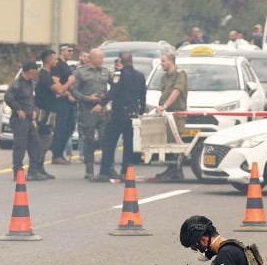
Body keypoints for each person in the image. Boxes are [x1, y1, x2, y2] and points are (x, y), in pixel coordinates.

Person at [96, 52, 146, 181]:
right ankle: (126, 171)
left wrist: (101, 104)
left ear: (121, 62)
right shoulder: (140, 76)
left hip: (118, 114)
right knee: (128, 143)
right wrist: (141, 111)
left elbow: (113, 91)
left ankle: (104, 172)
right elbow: (142, 95)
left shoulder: (119, 74)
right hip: (132, 114)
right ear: (132, 61)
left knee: (109, 143)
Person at [4, 61, 54, 181]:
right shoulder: (18, 84)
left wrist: (34, 111)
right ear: (28, 71)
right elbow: (8, 98)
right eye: (34, 69)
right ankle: (18, 172)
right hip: (20, 120)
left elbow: (32, 99)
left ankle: (33, 170)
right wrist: (18, 109)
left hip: (29, 120)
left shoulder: (30, 84)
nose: (36, 72)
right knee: (20, 146)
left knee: (35, 144)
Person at [70, 48, 112, 179]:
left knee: (105, 138)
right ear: (93, 59)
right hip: (87, 109)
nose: (102, 60)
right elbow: (73, 90)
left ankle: (107, 167)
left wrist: (107, 99)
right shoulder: (80, 72)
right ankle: (89, 168)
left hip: (103, 109)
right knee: (89, 138)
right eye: (100, 58)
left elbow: (115, 86)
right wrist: (87, 98)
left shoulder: (106, 72)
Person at [153, 52, 189, 180]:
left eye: (163, 61)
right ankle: (172, 169)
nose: (161, 64)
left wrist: (165, 105)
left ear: (171, 61)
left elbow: (176, 91)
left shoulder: (180, 74)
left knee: (175, 141)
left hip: (176, 114)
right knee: (168, 142)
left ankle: (177, 170)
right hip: (166, 114)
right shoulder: (164, 77)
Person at [51, 44, 78, 165]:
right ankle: (56, 154)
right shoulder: (58, 66)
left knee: (70, 126)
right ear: (62, 51)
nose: (71, 53)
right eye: (69, 51)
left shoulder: (67, 65)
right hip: (62, 100)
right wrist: (67, 94)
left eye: (72, 51)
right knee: (61, 128)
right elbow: (56, 84)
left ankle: (60, 152)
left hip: (70, 102)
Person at [36, 49, 62, 166]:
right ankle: (36, 166)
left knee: (47, 139)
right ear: (49, 60)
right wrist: (70, 82)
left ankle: (40, 167)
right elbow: (59, 90)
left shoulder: (49, 75)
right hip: (44, 111)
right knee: (44, 139)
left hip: (50, 110)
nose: (56, 61)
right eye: (55, 59)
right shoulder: (44, 75)